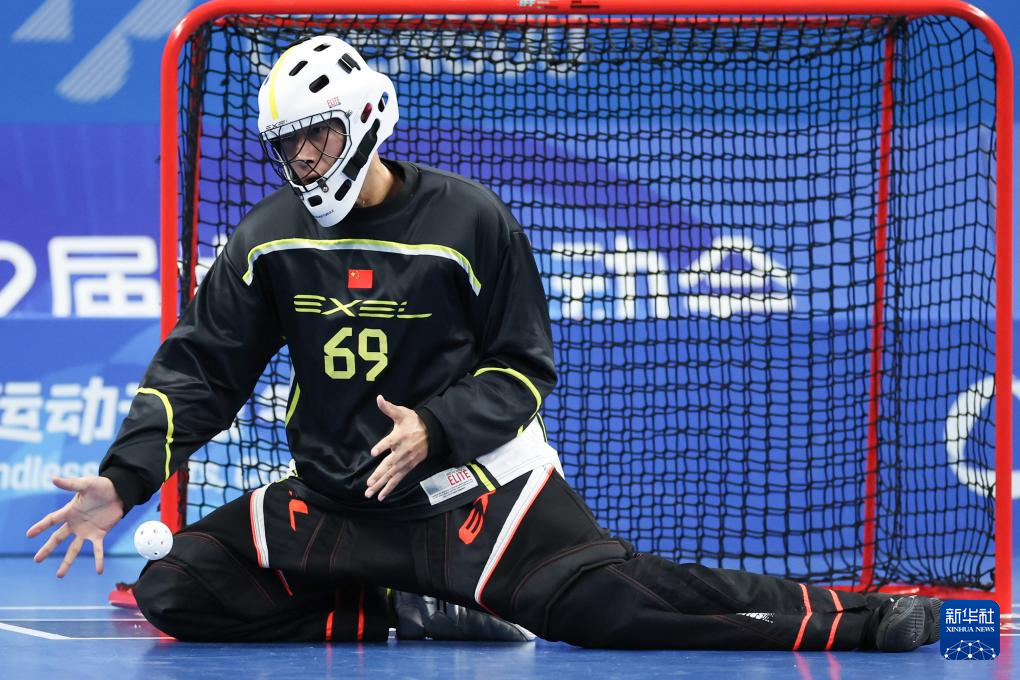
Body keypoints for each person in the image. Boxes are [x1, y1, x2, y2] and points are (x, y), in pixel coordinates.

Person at [27, 35, 940, 651]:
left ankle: (862, 620)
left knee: (620, 608)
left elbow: (522, 368)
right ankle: (407, 611)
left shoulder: (470, 220)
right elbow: (202, 366)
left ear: (365, 119)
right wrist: (126, 479)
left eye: (318, 138)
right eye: (289, 145)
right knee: (178, 587)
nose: (304, 160)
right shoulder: (268, 239)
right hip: (340, 508)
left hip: (478, 496)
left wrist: (436, 427)